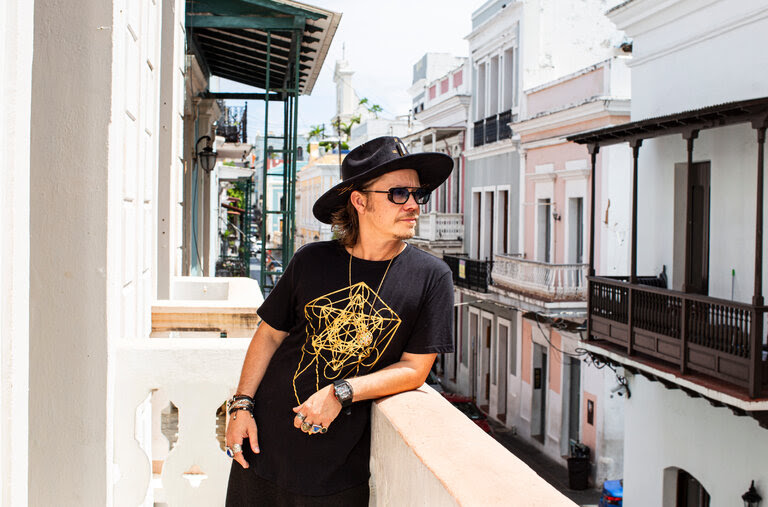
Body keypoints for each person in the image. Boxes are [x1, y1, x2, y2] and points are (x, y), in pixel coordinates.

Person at [225, 136, 455, 505]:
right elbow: (268, 336)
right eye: (398, 193)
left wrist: (341, 391)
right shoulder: (311, 260)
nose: (413, 204)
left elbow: (415, 369)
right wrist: (241, 406)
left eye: (418, 194)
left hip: (337, 472)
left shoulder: (431, 276)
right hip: (261, 450)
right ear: (360, 201)